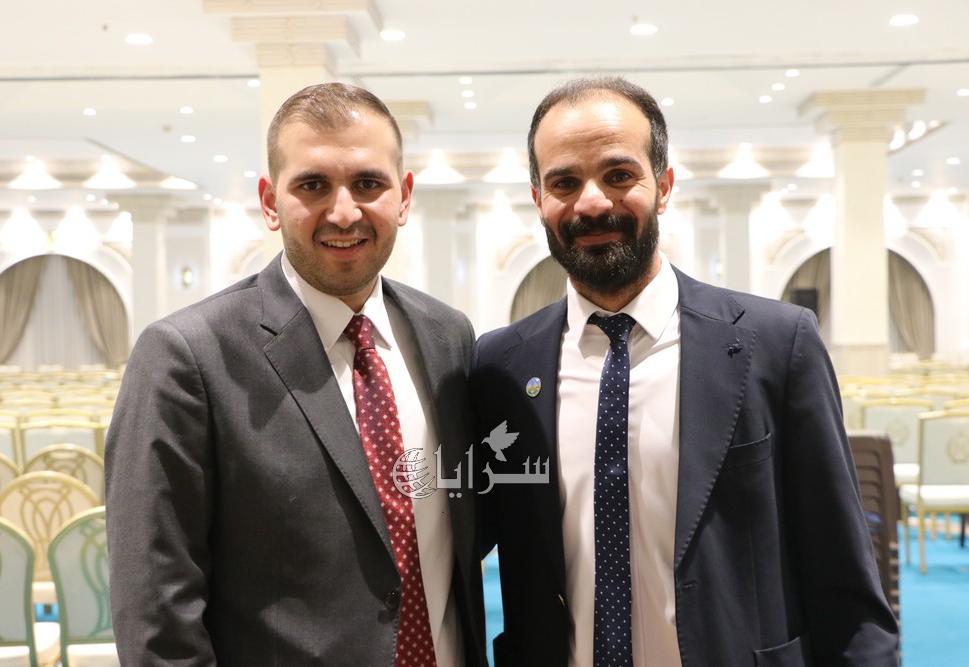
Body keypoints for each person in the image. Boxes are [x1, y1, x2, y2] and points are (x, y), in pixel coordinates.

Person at [471, 76, 899, 666]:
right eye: (564, 183)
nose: (592, 203)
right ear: (538, 199)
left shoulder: (777, 345)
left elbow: (845, 579)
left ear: (664, 185)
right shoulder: (501, 366)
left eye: (619, 175)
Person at [105, 82, 487, 666]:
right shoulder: (186, 357)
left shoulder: (447, 336)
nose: (344, 211)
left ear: (404, 197)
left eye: (368, 184)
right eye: (312, 185)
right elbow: (156, 612)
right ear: (269, 201)